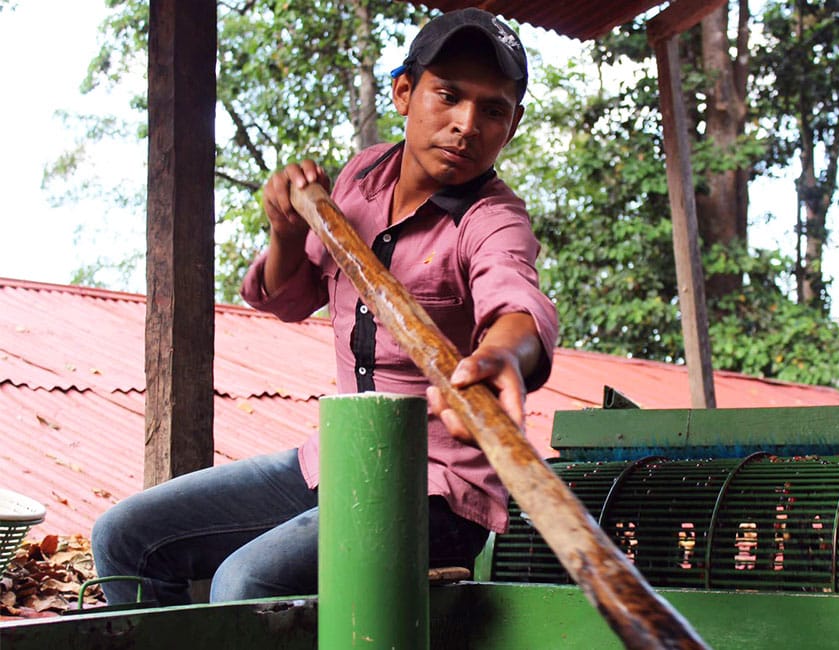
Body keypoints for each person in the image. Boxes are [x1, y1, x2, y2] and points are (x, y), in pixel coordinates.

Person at [91, 7, 558, 605]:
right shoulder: (362, 177)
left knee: (245, 582)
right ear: (404, 92)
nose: (467, 124)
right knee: (126, 536)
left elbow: (517, 298)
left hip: (437, 494)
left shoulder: (493, 219)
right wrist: (285, 231)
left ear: (511, 125)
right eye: (448, 96)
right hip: (336, 464)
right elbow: (289, 297)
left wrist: (502, 356)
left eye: (492, 109)